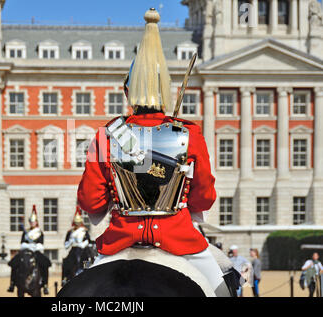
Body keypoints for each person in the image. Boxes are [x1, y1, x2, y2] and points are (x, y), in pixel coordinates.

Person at [77, 8, 233, 297]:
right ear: (167, 92)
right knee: (224, 290)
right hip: (180, 239)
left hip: (119, 241)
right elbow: (204, 196)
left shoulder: (107, 135)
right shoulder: (189, 134)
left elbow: (90, 201)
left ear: (128, 93)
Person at [7, 205, 51, 295]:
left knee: (45, 263)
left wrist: (34, 246)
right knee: (14, 263)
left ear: (36, 222)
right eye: (30, 222)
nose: (32, 223)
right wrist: (28, 245)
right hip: (26, 251)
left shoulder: (39, 232)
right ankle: (12, 283)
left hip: (36, 252)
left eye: (33, 221)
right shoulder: (25, 232)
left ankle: (45, 284)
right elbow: (22, 243)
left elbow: (41, 245)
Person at [61, 206, 91, 286]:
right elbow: (66, 244)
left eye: (78, 223)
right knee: (66, 261)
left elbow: (88, 241)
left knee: (88, 261)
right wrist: (71, 241)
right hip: (73, 249)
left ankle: (90, 276)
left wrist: (82, 244)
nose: (77, 225)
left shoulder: (84, 231)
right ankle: (65, 278)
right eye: (76, 223)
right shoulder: (70, 232)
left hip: (83, 250)